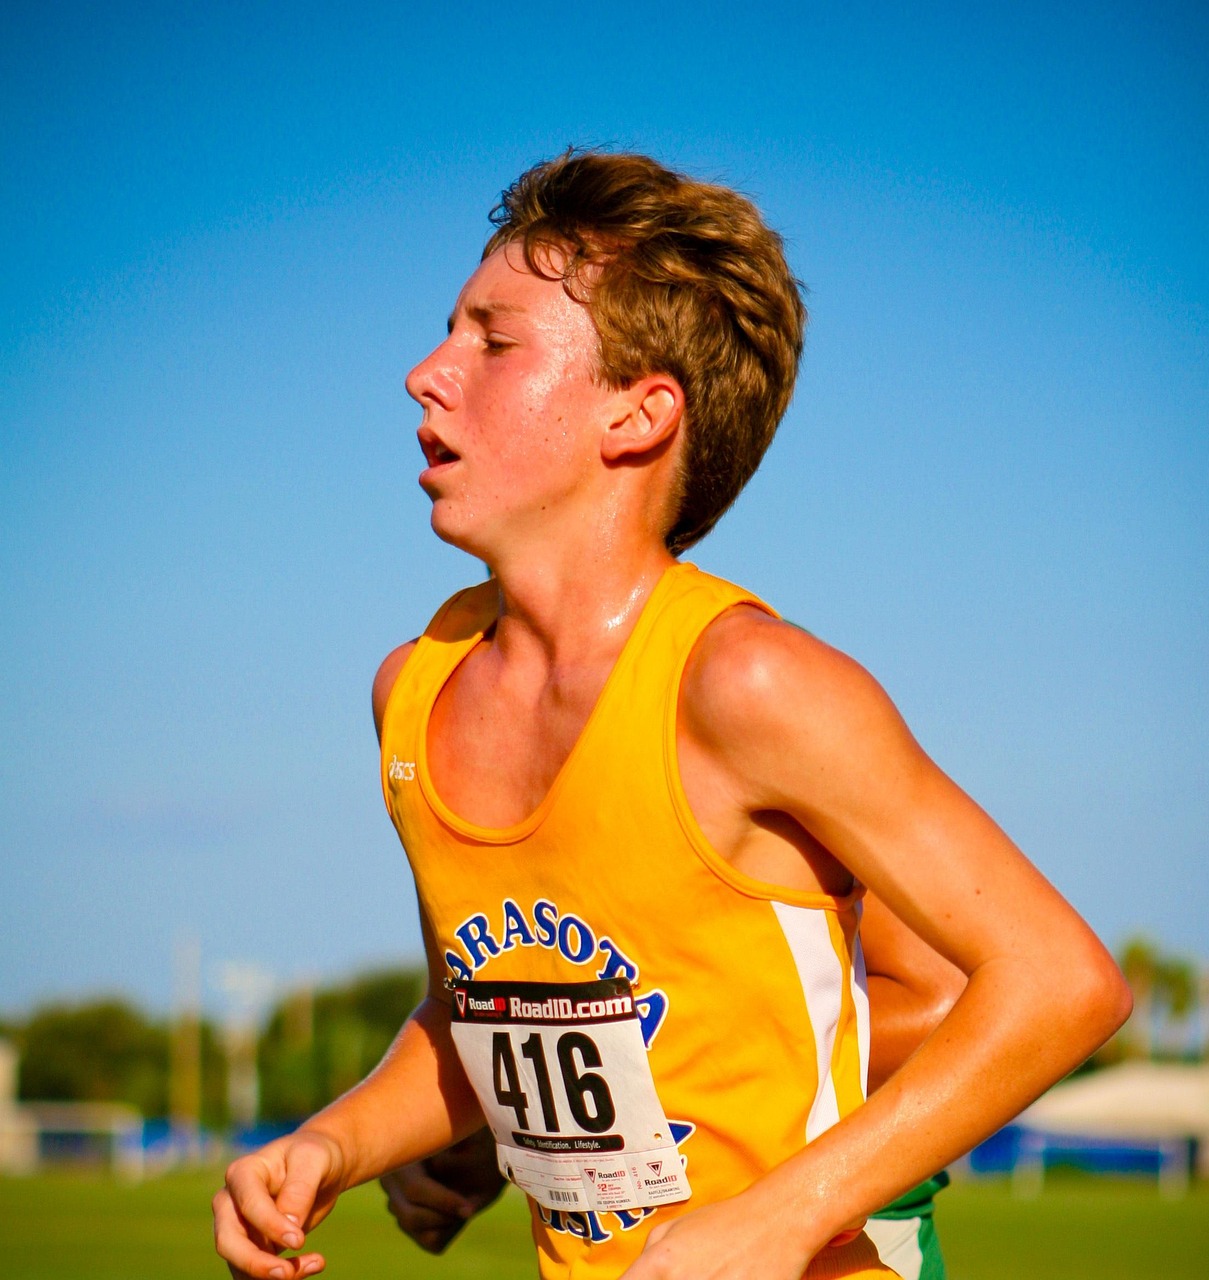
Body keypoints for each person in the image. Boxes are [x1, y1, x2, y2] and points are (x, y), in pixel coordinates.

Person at [212, 150, 1131, 1280]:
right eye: (446, 328)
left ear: (639, 416)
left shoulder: (747, 683)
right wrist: (331, 1142)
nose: (423, 372)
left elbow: (1058, 981)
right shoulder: (409, 690)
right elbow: (480, 1011)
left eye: (493, 341)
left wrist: (781, 1216)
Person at [380, 893, 964, 1279]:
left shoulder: (747, 714)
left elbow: (939, 1005)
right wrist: (494, 1111)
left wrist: (628, 1072)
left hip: (824, 1232)